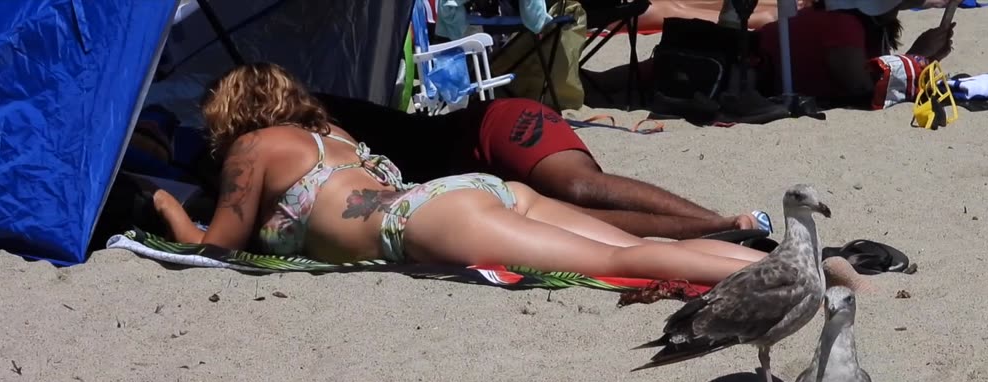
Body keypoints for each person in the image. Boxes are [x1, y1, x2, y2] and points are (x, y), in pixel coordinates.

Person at [151, 63, 768, 286]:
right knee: (639, 247)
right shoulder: (333, 137)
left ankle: (797, 278)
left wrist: (168, 210)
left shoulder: (252, 147)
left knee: (623, 263)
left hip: (428, 218)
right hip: (468, 195)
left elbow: (219, 249)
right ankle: (789, 267)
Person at [314, 93, 767, 240]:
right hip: (473, 175)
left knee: (580, 187)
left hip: (490, 127)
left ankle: (723, 221)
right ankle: (721, 230)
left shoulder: (316, 119)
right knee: (569, 216)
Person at [756, 0, 955, 106]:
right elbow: (861, 87)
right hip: (750, 72)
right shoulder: (844, 24)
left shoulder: (864, 21)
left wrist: (922, 57)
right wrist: (917, 56)